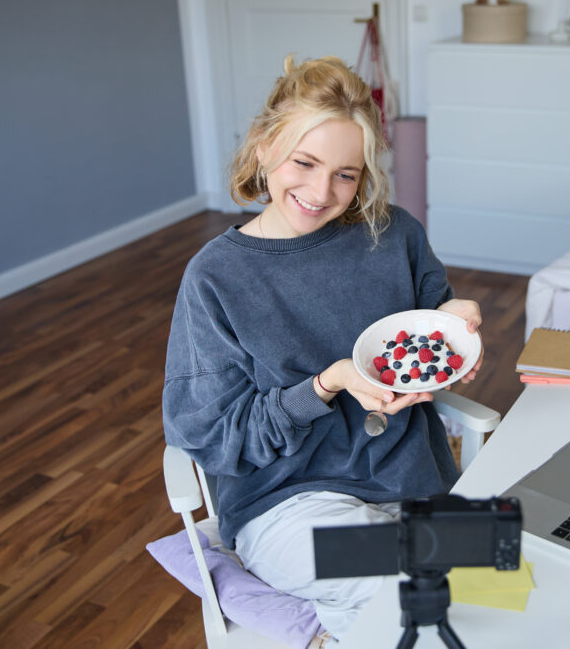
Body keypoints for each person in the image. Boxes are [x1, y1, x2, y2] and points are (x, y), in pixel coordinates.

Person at [162, 54, 483, 641]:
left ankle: (319, 628)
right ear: (263, 147)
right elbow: (212, 435)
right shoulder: (216, 278)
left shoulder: (395, 235)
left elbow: (430, 329)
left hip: (412, 479)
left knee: (511, 580)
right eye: (303, 162)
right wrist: (324, 386)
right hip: (286, 505)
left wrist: (454, 319)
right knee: (412, 584)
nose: (320, 191)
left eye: (346, 173)